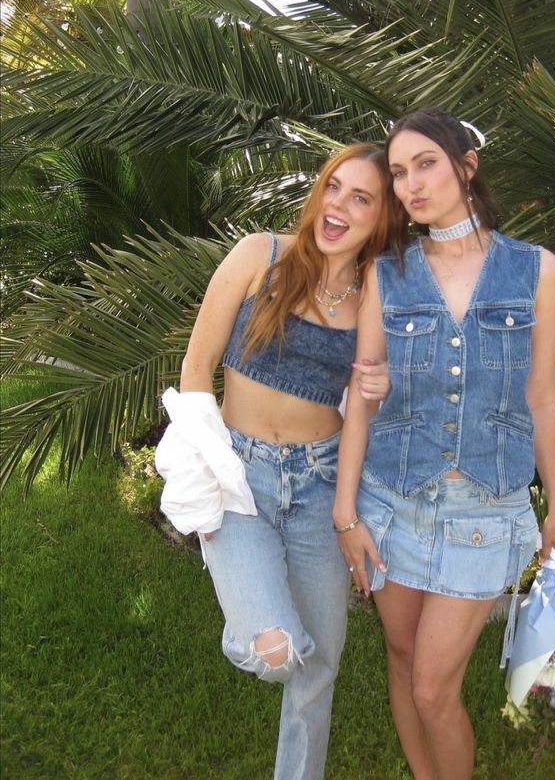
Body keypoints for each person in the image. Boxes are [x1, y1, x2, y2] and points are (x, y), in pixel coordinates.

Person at [332, 109, 555, 780]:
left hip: (484, 509)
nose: (410, 184)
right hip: (393, 497)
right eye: (399, 172)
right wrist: (345, 511)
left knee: (434, 689)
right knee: (404, 661)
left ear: (467, 165)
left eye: (426, 164)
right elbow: (363, 391)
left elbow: (541, 396)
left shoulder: (537, 270)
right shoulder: (389, 272)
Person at [155, 143, 397, 780]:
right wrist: (205, 470)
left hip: (319, 486)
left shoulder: (375, 293)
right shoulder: (259, 256)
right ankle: (250, 624)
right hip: (240, 480)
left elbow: (375, 400)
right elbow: (195, 370)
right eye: (334, 187)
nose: (338, 205)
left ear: (382, 218)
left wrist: (380, 388)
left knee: (318, 673)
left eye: (361, 197)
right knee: (280, 653)